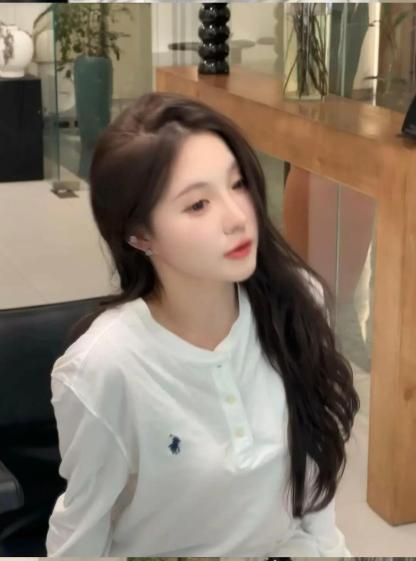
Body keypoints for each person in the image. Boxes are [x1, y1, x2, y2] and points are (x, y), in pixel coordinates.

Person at [46, 92, 359, 556]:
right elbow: (80, 537)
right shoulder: (104, 368)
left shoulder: (296, 301)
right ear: (140, 236)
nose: (237, 217)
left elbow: (314, 504)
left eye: (237, 184)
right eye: (197, 205)